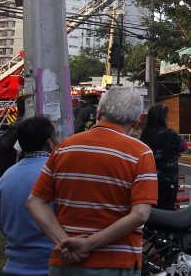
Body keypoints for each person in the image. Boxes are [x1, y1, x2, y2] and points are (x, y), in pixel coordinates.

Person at [27, 86, 158, 274]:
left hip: (65, 263)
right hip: (115, 264)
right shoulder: (141, 153)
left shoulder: (64, 148)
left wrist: (63, 242)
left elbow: (35, 202)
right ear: (137, 122)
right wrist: (87, 245)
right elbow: (140, 215)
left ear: (98, 113)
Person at [0, 116, 57, 276]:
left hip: (13, 267)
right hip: (50, 267)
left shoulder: (6, 178)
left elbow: (2, 226)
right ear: (50, 142)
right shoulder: (57, 174)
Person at [140, 104, 188, 211]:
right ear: (162, 117)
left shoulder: (145, 134)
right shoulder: (170, 134)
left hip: (148, 178)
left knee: (150, 209)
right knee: (166, 210)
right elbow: (184, 146)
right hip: (168, 179)